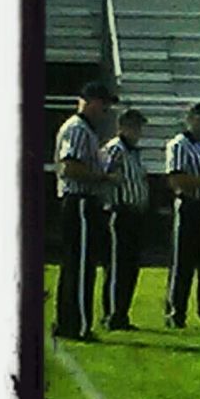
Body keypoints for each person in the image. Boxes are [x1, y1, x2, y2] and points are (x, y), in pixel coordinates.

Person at [52, 79, 118, 341]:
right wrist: (103, 177)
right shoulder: (78, 129)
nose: (105, 111)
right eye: (103, 105)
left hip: (80, 201)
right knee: (80, 265)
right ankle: (76, 324)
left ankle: (67, 320)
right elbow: (71, 166)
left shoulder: (86, 129)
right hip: (78, 200)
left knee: (76, 264)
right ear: (90, 102)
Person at [164, 102, 200, 331]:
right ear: (191, 118)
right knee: (182, 263)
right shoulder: (178, 144)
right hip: (188, 206)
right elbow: (176, 180)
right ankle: (175, 312)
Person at [99, 107, 151, 331]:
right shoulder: (115, 149)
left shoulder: (134, 152)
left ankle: (122, 312)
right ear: (122, 127)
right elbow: (104, 176)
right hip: (120, 212)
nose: (138, 131)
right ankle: (112, 314)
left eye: (139, 127)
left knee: (130, 267)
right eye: (133, 126)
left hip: (135, 214)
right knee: (118, 265)